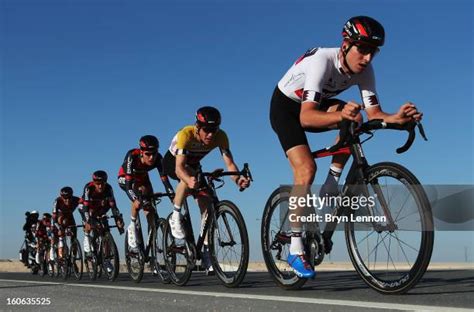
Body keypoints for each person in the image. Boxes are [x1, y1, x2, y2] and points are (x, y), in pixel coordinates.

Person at [269, 16, 423, 278]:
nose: (367, 58)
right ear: (345, 46)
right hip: (287, 108)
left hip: (316, 105)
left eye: (373, 52)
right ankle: (295, 248)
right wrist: (341, 115)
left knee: (358, 117)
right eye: (362, 50)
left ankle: (333, 181)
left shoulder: (366, 71)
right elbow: (306, 117)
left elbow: (374, 113)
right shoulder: (322, 61)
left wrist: (396, 118)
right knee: (306, 169)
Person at [162, 106, 251, 272]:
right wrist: (188, 180)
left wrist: (238, 180)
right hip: (174, 162)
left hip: (194, 164)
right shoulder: (186, 135)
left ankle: (206, 252)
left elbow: (230, 164)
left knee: (207, 204)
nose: (210, 135)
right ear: (197, 127)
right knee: (188, 177)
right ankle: (175, 215)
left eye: (214, 130)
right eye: (207, 130)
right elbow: (179, 168)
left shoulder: (221, 137)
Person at [118, 135, 174, 252]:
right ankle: (132, 226)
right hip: (126, 178)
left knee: (150, 209)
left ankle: (151, 244)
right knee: (139, 197)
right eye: (148, 154)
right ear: (141, 152)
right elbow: (129, 186)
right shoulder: (132, 156)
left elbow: (165, 181)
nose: (151, 157)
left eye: (154, 153)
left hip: (143, 178)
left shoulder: (158, 158)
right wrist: (135, 199)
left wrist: (173, 198)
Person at [79, 170, 124, 258]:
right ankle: (87, 240)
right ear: (93, 182)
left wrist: (118, 219)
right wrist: (88, 221)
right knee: (89, 223)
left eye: (102, 183)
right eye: (97, 183)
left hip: (99, 207)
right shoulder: (89, 188)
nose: (100, 186)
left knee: (105, 229)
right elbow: (86, 208)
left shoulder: (108, 188)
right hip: (86, 207)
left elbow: (113, 206)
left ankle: (106, 257)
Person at [52, 186, 80, 259]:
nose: (67, 200)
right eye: (65, 198)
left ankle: (73, 257)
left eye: (69, 198)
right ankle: (61, 255)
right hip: (59, 217)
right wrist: (59, 228)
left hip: (70, 217)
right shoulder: (57, 201)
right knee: (62, 222)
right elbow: (54, 217)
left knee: (74, 237)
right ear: (61, 197)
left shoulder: (76, 199)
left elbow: (84, 207)